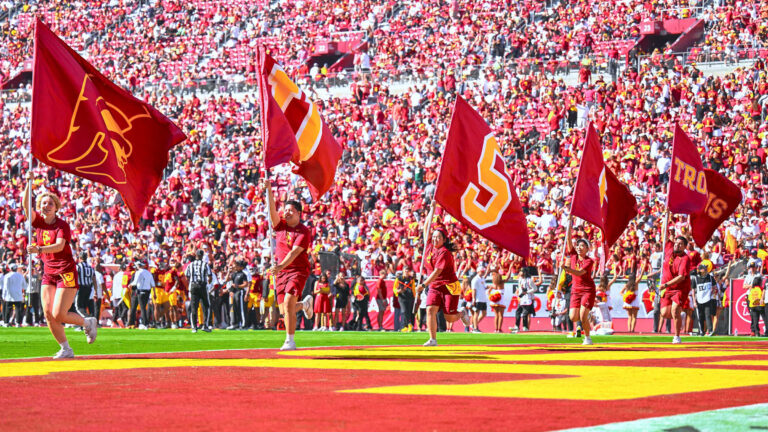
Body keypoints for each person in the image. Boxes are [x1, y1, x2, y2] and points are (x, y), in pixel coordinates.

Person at [23, 176, 96, 359]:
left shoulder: (62, 225)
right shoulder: (38, 223)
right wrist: (27, 184)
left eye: (50, 203)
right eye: (43, 203)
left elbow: (59, 245)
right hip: (49, 272)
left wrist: (38, 249)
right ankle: (65, 348)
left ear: (56, 207)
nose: (46, 206)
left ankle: (87, 322)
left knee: (59, 314)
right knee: (48, 313)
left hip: (65, 271)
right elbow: (26, 208)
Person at [264, 179, 314, 350]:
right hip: (281, 272)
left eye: (290, 210)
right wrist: (269, 191)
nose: (286, 213)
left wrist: (279, 267)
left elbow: (294, 253)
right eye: (285, 210)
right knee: (285, 310)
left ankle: (289, 340)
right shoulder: (280, 226)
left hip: (297, 270)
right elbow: (271, 211)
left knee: (288, 301)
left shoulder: (303, 231)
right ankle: (305, 304)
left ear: (299, 213)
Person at [419, 226, 463, 347]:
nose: (435, 239)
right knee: (430, 310)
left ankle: (462, 314)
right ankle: (432, 339)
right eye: (433, 237)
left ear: (444, 240)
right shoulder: (428, 246)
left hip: (449, 286)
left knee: (450, 318)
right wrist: (431, 208)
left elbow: (437, 271)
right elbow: (426, 228)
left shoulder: (444, 252)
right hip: (434, 285)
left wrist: (423, 285)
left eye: (438, 237)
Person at [560, 226, 596, 345]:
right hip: (575, 290)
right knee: (573, 317)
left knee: (582, 315)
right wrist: (569, 226)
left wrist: (566, 269)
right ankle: (586, 313)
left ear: (587, 249)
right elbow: (569, 241)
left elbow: (580, 273)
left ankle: (587, 337)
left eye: (582, 246)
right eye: (578, 245)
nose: (579, 248)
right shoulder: (574, 256)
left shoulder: (589, 261)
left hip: (587, 290)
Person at [659, 236, 694, 344]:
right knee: (664, 313)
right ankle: (679, 315)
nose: (676, 245)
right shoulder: (670, 250)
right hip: (668, 287)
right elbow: (664, 236)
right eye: (676, 243)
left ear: (684, 247)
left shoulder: (685, 258)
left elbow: (681, 277)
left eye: (680, 244)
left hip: (680, 288)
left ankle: (677, 336)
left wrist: (665, 285)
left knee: (674, 310)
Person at [692, 261, 732, 336]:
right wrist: (694, 301)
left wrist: (712, 293)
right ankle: (702, 331)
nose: (706, 270)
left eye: (706, 268)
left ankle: (710, 330)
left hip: (710, 299)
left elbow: (715, 287)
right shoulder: (696, 279)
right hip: (700, 299)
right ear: (700, 270)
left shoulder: (711, 278)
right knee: (701, 316)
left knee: (709, 315)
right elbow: (693, 290)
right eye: (704, 269)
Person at [185, 250, 213, 333]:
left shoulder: (190, 265)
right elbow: (210, 276)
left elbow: (187, 276)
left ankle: (194, 327)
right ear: (202, 256)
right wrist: (208, 283)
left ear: (196, 255)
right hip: (202, 286)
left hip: (193, 286)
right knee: (206, 306)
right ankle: (205, 325)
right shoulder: (205, 265)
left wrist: (191, 284)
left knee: (194, 307)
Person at [128, 260, 155, 329]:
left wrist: (130, 285)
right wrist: (154, 293)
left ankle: (144, 323)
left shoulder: (138, 272)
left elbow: (135, 282)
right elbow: (153, 284)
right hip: (147, 291)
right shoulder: (149, 273)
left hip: (140, 291)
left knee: (138, 308)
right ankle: (144, 323)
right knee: (143, 307)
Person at [744, 262, 765, 337]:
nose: (752, 268)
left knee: (760, 313)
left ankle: (757, 330)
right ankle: (754, 330)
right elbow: (744, 286)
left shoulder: (758, 275)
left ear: (756, 267)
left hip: (757, 296)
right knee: (752, 314)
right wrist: (751, 285)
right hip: (750, 296)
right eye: (751, 267)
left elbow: (761, 284)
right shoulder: (748, 276)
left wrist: (750, 286)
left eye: (753, 267)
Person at [513, 266, 537, 332]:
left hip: (527, 298)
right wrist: (518, 293)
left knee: (525, 313)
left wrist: (527, 292)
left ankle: (525, 326)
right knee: (518, 312)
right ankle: (516, 326)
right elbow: (520, 287)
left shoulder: (529, 280)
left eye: (521, 271)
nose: (520, 273)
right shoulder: (520, 279)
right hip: (521, 298)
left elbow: (535, 288)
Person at [227, 260, 248, 330]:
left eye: (237, 266)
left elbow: (246, 284)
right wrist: (228, 272)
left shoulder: (243, 274)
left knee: (241, 308)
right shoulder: (234, 274)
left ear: (240, 267)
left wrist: (237, 286)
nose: (235, 267)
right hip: (235, 293)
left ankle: (244, 324)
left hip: (240, 292)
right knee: (235, 308)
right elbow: (227, 279)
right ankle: (237, 324)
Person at [75, 252, 95, 318]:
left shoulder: (78, 267)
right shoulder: (90, 268)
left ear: (80, 258)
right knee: (83, 307)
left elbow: (74, 277)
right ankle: (82, 325)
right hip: (89, 288)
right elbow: (94, 279)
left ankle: (88, 318)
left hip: (81, 288)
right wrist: (95, 291)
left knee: (78, 307)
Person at [470, 266, 489, 333]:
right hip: (478, 299)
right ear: (478, 272)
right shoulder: (475, 279)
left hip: (483, 298)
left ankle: (474, 324)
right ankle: (475, 328)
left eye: (483, 272)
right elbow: (473, 290)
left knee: (484, 313)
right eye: (482, 271)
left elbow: (484, 287)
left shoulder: (482, 279)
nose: (483, 273)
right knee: (476, 313)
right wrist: (474, 299)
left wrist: (489, 287)